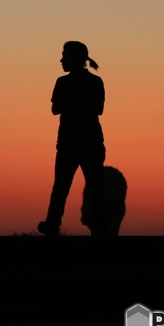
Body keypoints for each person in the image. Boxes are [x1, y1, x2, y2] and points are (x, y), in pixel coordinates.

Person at [38, 41, 111, 237]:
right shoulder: (96, 82)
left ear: (75, 58)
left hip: (69, 142)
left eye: (65, 56)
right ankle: (103, 230)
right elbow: (98, 109)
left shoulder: (63, 82)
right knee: (95, 188)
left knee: (61, 187)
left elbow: (55, 110)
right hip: (92, 141)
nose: (61, 60)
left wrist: (70, 102)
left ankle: (52, 227)